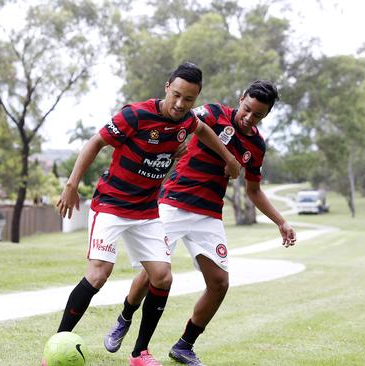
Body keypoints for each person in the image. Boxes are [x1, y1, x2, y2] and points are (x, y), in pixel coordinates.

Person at [52, 62, 242, 366]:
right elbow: (96, 142)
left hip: (146, 210)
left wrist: (230, 159)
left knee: (162, 277)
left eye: (189, 99)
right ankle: (57, 343)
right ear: (167, 86)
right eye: (176, 95)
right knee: (99, 273)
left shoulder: (188, 121)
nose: (180, 104)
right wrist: (72, 184)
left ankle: (140, 353)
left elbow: (203, 130)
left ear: (196, 98)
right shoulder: (135, 115)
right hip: (112, 204)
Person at [102, 80, 297, 366]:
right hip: (174, 203)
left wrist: (281, 222)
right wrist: (222, 156)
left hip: (209, 214)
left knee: (219, 283)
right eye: (247, 109)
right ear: (240, 98)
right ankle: (125, 317)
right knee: (153, 271)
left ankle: (184, 345)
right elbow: (185, 123)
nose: (249, 118)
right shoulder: (213, 113)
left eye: (258, 115)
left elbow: (253, 191)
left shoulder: (256, 145)